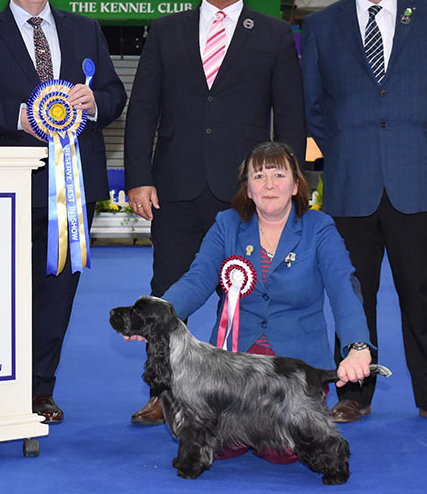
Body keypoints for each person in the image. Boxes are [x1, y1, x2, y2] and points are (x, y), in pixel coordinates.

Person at [124, 0, 306, 424]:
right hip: (175, 187)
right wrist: (138, 176)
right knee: (167, 291)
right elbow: (142, 109)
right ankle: (163, 393)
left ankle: (241, 394)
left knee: (245, 295)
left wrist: (290, 187)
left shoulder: (273, 35)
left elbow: (290, 118)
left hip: (247, 196)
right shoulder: (165, 32)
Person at [0, 0, 126, 423]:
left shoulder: (85, 30)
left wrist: (94, 104)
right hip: (4, 188)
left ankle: (38, 390)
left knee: (56, 296)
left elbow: (115, 94)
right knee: (1, 291)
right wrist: (19, 119)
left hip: (72, 191)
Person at [126, 142, 372, 463]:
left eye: (279, 175)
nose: (269, 185)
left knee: (280, 453)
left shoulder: (319, 227)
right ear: (248, 188)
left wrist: (357, 345)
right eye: (259, 176)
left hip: (294, 369)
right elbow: (197, 280)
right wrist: (154, 316)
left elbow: (343, 286)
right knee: (222, 447)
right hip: (232, 365)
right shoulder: (226, 225)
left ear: (296, 184)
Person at [301, 0, 427, 422]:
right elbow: (312, 110)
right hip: (349, 187)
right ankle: (354, 394)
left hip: (417, 184)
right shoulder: (320, 27)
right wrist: (337, 158)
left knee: (421, 294)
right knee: (353, 297)